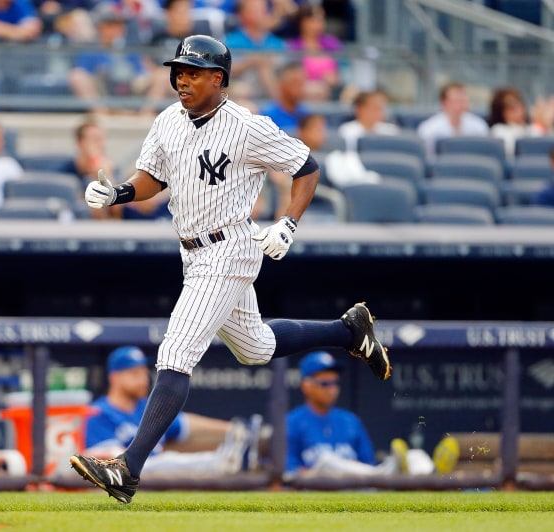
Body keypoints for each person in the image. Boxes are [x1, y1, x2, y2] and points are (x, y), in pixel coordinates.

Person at [69, 34, 391, 504]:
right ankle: (349, 331)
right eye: (178, 71)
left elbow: (307, 166)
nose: (181, 79)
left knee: (175, 353)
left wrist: (288, 223)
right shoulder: (167, 121)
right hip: (192, 252)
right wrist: (118, 193)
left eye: (193, 72)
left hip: (229, 248)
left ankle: (127, 468)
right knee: (256, 347)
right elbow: (153, 178)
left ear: (218, 78)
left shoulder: (246, 126)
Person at [285, 351, 459, 478]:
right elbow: (289, 472)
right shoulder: (292, 422)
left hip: (359, 485)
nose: (332, 389)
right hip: (320, 488)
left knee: (415, 455)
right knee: (327, 461)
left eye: (335, 382)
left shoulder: (350, 420)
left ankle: (432, 475)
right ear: (306, 386)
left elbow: (367, 464)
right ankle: (394, 472)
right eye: (325, 383)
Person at [84, 345, 253, 475]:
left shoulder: (145, 406)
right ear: (114, 378)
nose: (143, 380)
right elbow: (112, 462)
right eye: (135, 374)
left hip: (160, 476)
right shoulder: (99, 413)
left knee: (170, 461)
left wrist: (233, 428)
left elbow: (186, 423)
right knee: (161, 461)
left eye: (144, 373)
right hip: (131, 476)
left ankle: (229, 459)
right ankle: (222, 461)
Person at [225, 0, 286, 100]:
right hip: (242, 87)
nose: (261, 14)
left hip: (273, 85)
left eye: (263, 10)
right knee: (242, 90)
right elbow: (223, 72)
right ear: (242, 14)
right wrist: (249, 62)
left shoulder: (277, 43)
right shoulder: (230, 41)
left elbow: (286, 70)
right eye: (255, 10)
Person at [416, 82, 490, 158]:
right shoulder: (429, 128)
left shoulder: (478, 125)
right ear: (444, 103)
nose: (462, 104)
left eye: (464, 100)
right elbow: (428, 157)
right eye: (457, 100)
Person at [286, 4, 343, 101]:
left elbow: (343, 68)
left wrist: (335, 77)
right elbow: (293, 75)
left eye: (321, 19)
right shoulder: (293, 46)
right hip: (306, 91)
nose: (320, 23)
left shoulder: (332, 43)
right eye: (315, 20)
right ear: (303, 22)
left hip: (333, 90)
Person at [487, 87, 554, 159]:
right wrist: (540, 124)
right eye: (512, 107)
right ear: (501, 111)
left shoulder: (531, 127)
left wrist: (547, 124)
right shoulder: (498, 130)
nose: (519, 109)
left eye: (520, 104)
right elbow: (512, 153)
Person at [257, 62, 308, 133]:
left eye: (301, 83)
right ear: (281, 85)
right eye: (294, 83)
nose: (300, 88)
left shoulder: (306, 114)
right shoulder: (267, 116)